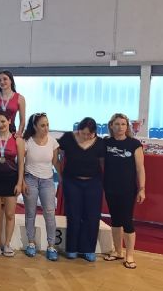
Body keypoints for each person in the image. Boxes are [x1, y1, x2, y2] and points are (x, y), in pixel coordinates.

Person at [57, 117, 106, 262]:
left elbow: (102, 163)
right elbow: (57, 154)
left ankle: (88, 249)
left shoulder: (100, 143)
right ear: (78, 130)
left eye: (89, 134)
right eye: (83, 133)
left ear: (94, 133)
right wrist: (60, 174)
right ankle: (71, 248)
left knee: (92, 216)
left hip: (93, 183)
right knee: (73, 215)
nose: (86, 137)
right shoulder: (68, 138)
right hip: (72, 181)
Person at [103, 113, 146, 269]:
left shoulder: (134, 144)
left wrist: (142, 189)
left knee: (127, 221)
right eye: (117, 124)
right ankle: (118, 251)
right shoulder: (106, 143)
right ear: (111, 126)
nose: (120, 127)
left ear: (127, 127)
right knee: (115, 220)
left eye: (123, 124)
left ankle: (130, 255)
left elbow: (140, 169)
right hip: (110, 187)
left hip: (127, 189)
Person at [22, 113, 60, 261]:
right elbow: (21, 164)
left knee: (50, 213)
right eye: (42, 125)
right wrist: (22, 181)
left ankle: (51, 246)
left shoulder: (53, 142)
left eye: (47, 125)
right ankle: (31, 243)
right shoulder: (27, 141)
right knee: (30, 213)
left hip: (47, 181)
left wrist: (62, 178)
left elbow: (55, 163)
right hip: (30, 179)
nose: (46, 128)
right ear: (35, 127)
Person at [0, 112, 25, 257]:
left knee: (9, 214)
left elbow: (21, 163)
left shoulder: (18, 140)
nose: (0, 125)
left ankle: (7, 244)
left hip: (11, 179)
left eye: (3, 121)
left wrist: (19, 183)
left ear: (9, 121)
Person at [0, 70, 26, 136]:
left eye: (5, 79)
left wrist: (20, 132)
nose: (2, 82)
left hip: (11, 131)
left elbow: (22, 119)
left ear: (11, 80)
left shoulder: (20, 98)